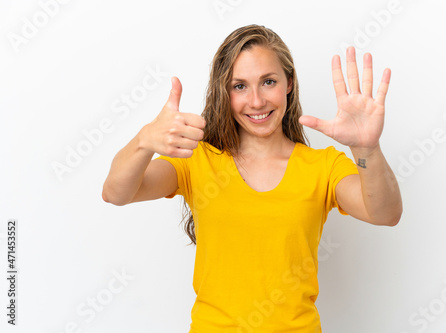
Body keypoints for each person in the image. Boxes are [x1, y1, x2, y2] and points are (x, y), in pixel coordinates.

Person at [102, 24, 402, 333]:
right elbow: (116, 192)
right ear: (224, 91)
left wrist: (368, 149)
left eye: (268, 82)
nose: (256, 101)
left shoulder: (322, 166)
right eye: (240, 86)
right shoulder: (197, 160)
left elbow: (385, 213)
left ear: (288, 83)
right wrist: (143, 141)